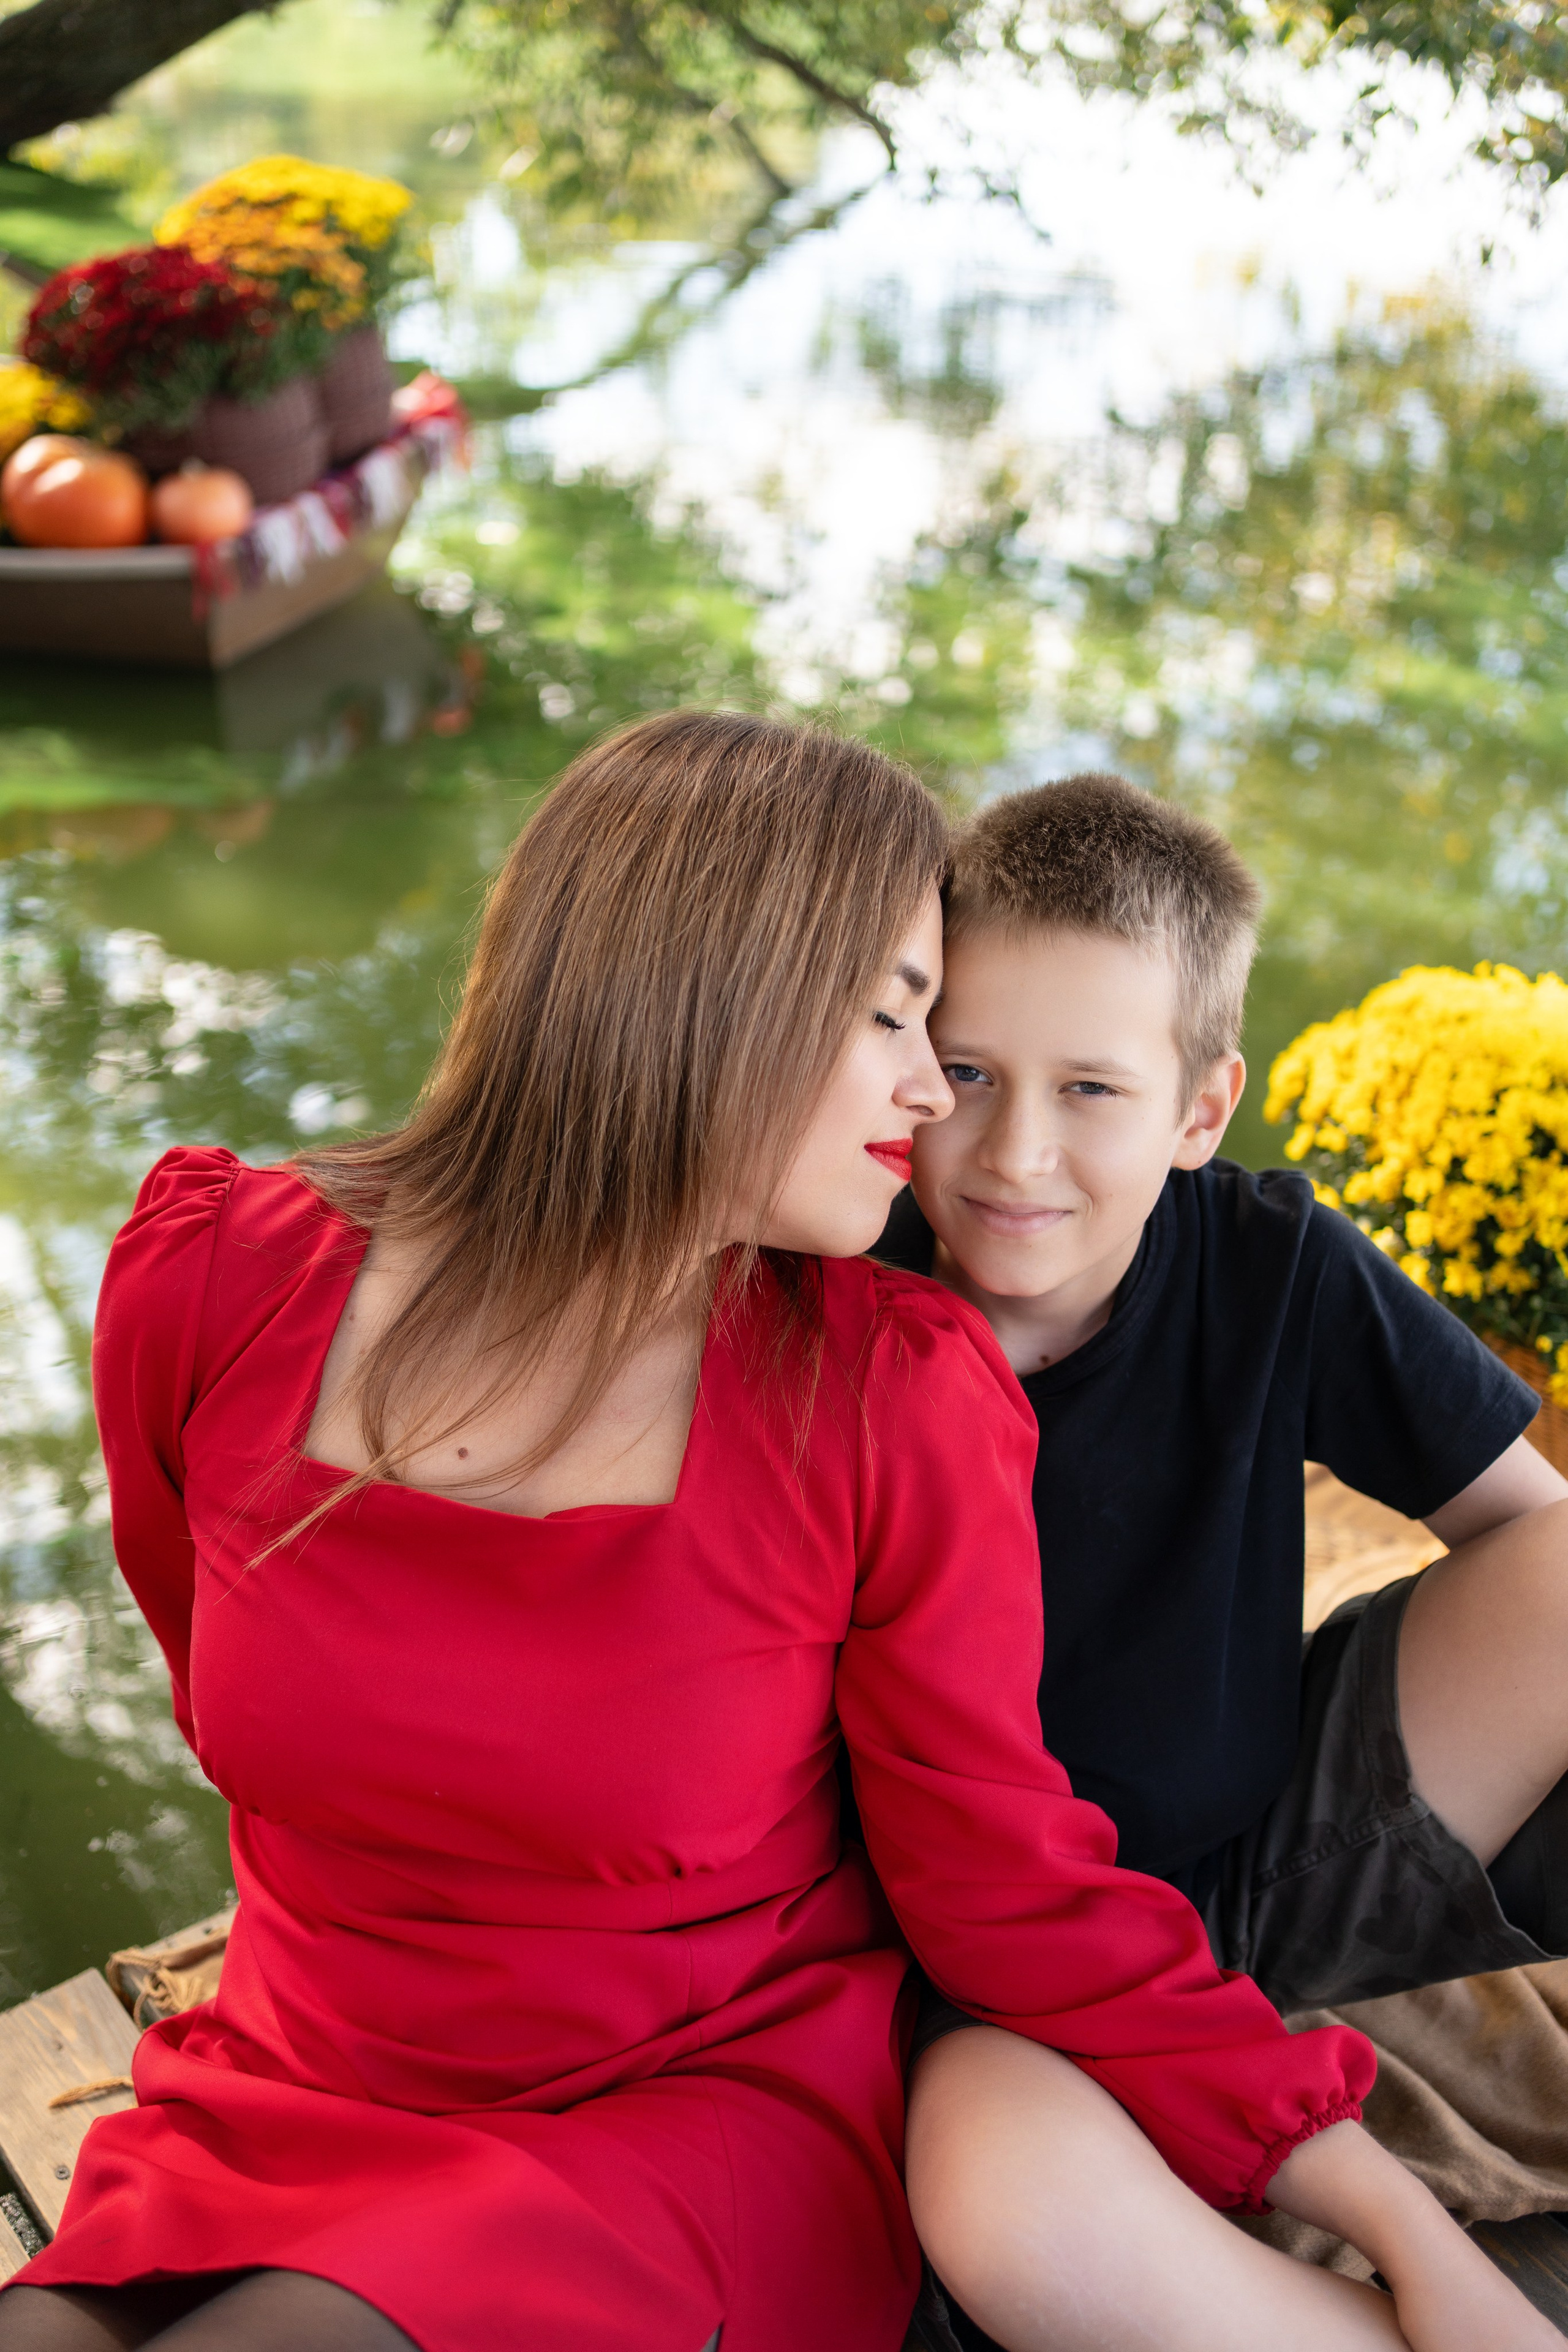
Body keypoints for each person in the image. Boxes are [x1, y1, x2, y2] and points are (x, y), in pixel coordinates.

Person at [0, 714, 1548, 2352]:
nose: (925, 1091)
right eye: (901, 1022)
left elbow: (1001, 1884)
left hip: (668, 2124)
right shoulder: (211, 1275)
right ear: (710, 998)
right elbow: (214, 1676)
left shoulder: (884, 1394)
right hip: (284, 2084)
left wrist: (1394, 2222)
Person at [870, 771, 1568, 2351]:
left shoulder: (1267, 1262)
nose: (1013, 1153)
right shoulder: (849, 1293)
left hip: (1257, 1868)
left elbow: (1525, 1529)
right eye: (967, 1071)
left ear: (1201, 1110)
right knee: (994, 2182)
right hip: (985, 1979)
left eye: (1093, 1091)